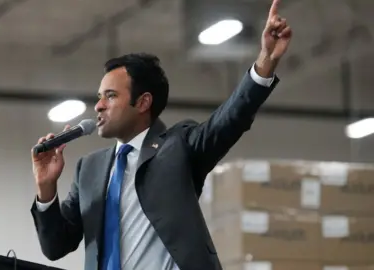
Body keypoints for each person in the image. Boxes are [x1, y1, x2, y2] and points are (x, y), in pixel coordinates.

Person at [30, 0, 292, 269]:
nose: (98, 105)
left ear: (143, 103)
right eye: (99, 97)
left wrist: (266, 61)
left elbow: (229, 119)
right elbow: (56, 246)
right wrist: (46, 187)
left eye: (110, 96)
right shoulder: (89, 169)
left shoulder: (178, 148)